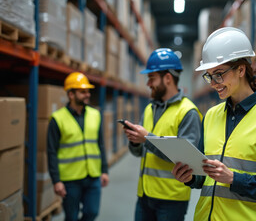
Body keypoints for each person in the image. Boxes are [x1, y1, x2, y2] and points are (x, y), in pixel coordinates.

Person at [172, 27, 256, 221]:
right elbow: (204, 174)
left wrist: (234, 179)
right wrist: (190, 177)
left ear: (241, 69)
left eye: (219, 74)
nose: (213, 83)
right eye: (209, 75)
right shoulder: (211, 116)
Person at [123, 48, 202, 221]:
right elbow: (139, 153)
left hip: (171, 199)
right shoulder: (149, 109)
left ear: (167, 78)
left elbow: (188, 159)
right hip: (144, 195)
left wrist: (147, 139)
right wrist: (136, 142)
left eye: (152, 78)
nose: (148, 83)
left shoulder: (188, 112)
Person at [47, 72, 109, 221]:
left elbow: (100, 144)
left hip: (93, 175)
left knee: (92, 212)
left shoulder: (96, 115)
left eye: (88, 91)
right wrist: (56, 180)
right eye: (83, 92)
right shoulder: (57, 119)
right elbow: (51, 151)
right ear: (71, 94)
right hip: (70, 179)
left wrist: (104, 170)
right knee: (71, 217)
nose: (87, 95)